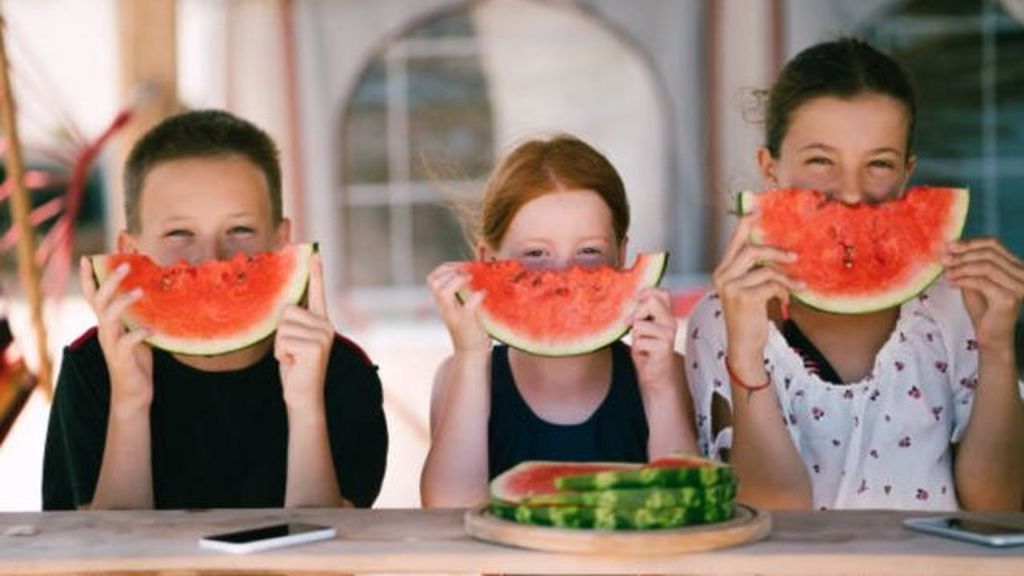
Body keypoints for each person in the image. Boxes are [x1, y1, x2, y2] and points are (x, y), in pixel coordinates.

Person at [686, 38, 1024, 511]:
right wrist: (746, 359)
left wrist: (997, 349)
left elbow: (999, 505)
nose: (850, 194)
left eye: (879, 164)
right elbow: (774, 514)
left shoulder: (955, 308)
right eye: (821, 160)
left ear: (907, 174)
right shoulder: (723, 318)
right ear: (770, 168)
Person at [42, 110, 388, 510]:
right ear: (129, 251)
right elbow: (101, 564)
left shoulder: (342, 370)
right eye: (178, 233)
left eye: (239, 230)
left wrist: (306, 405)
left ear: (283, 243)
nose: (210, 260)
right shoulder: (92, 367)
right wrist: (129, 402)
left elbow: (326, 566)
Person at [420, 134, 696, 507]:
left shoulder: (669, 372)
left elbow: (683, 508)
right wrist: (471, 358)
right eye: (535, 253)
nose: (564, 276)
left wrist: (660, 387)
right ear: (487, 261)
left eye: (589, 251)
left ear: (622, 255)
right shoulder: (459, 375)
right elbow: (448, 513)